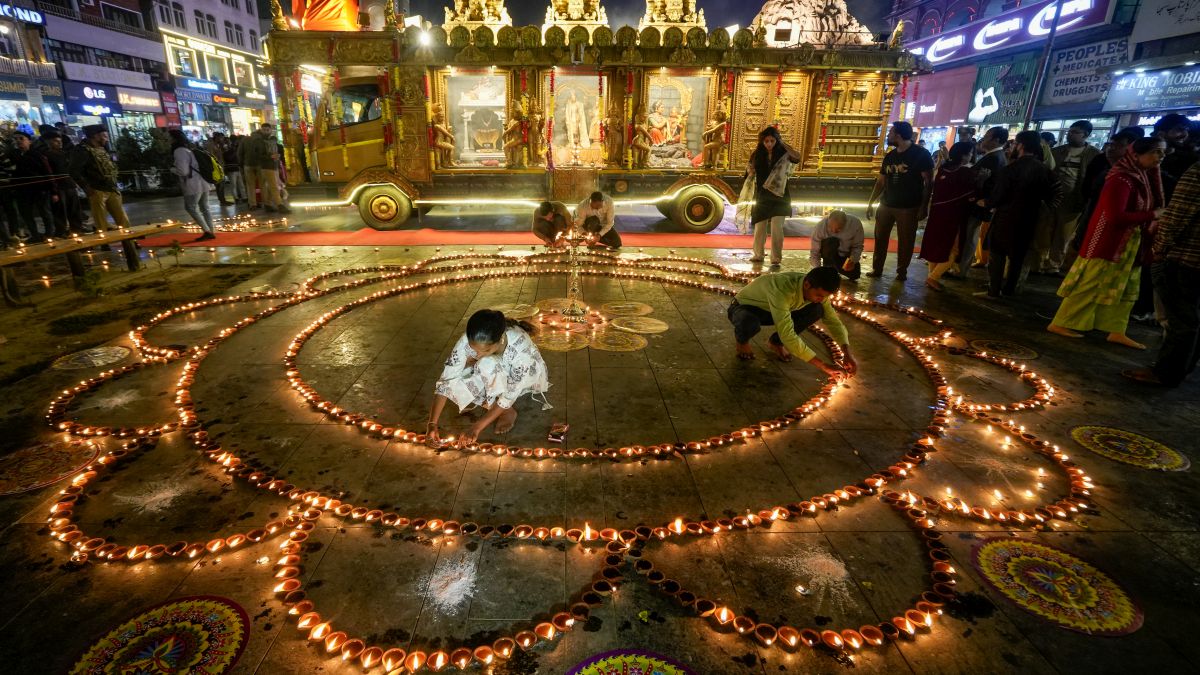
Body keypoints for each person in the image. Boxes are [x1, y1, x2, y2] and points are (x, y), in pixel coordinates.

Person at [1047, 138, 1166, 348]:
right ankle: (1063, 322)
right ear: (1136, 155)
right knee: (1091, 284)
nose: (1160, 157)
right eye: (1156, 152)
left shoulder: (1142, 178)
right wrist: (1152, 214)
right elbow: (1115, 216)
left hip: (1131, 244)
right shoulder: (1121, 179)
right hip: (1108, 242)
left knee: (1126, 289)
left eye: (1162, 152)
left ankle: (1116, 329)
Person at [1124, 161, 1200, 386]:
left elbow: (1178, 214)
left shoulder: (1196, 172)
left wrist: (1158, 248)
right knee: (1191, 318)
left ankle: (1167, 371)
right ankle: (1182, 368)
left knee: (1181, 319)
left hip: (1185, 257)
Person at [427, 309, 550, 446]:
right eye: (474, 350)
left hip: (525, 376)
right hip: (493, 370)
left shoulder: (521, 351)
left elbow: (509, 395)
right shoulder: (470, 338)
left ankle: (506, 412)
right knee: (465, 371)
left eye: (485, 350)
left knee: (486, 363)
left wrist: (476, 428)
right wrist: (432, 424)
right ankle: (495, 405)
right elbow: (447, 380)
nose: (477, 355)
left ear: (500, 339)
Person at [974, 131, 1064, 299]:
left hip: (1006, 218)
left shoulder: (1011, 169)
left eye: (1015, 143)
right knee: (1018, 257)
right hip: (1030, 219)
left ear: (1021, 145)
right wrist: (1044, 211)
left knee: (998, 255)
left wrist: (985, 202)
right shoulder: (1044, 170)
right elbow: (1056, 195)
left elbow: (998, 196)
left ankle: (993, 291)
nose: (1013, 146)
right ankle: (1009, 290)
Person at [727, 267, 857, 378]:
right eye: (819, 295)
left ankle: (776, 343)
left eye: (825, 296)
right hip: (744, 308)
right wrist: (822, 365)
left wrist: (847, 353)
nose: (822, 299)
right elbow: (787, 334)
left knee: (818, 309)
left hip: (774, 311)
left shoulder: (817, 291)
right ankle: (742, 342)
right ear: (807, 285)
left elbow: (833, 322)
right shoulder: (782, 289)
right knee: (749, 323)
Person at [866, 121, 933, 281]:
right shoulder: (890, 156)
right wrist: (871, 202)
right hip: (887, 204)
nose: (888, 135)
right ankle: (877, 269)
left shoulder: (920, 154)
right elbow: (881, 181)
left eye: (890, 132)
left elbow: (929, 182)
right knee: (880, 237)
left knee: (906, 240)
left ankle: (901, 271)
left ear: (899, 135)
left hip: (908, 206)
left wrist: (924, 206)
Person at [1033, 121, 1101, 275]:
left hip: (1074, 200)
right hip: (1052, 198)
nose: (1070, 134)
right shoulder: (1057, 151)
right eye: (1070, 131)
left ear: (1086, 135)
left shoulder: (1094, 155)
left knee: (1063, 234)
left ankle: (1054, 264)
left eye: (1075, 132)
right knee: (1045, 230)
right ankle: (1039, 261)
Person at [920, 141, 976, 291]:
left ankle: (932, 275)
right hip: (953, 216)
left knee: (936, 245)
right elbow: (970, 195)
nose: (971, 156)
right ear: (964, 155)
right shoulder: (966, 172)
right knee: (952, 249)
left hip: (937, 212)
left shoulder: (944, 169)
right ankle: (933, 277)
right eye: (970, 153)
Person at [956, 126, 1008, 275]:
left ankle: (961, 269)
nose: (983, 139)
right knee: (970, 235)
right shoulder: (994, 156)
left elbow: (986, 183)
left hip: (977, 204)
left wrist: (985, 199)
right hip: (979, 203)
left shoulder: (994, 158)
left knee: (969, 236)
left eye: (987, 136)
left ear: (996, 140)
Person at [746, 126, 801, 266]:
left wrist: (782, 143)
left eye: (772, 141)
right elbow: (749, 171)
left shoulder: (783, 153)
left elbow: (797, 157)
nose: (769, 144)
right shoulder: (757, 154)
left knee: (777, 228)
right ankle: (758, 254)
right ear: (762, 142)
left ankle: (776, 258)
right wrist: (750, 171)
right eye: (766, 141)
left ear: (776, 140)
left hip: (780, 196)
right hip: (762, 195)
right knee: (760, 227)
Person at [69, 124, 130, 232]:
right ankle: (104, 243)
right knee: (101, 222)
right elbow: (74, 171)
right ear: (95, 136)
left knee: (123, 219)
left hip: (111, 187)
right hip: (96, 189)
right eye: (104, 136)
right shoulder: (82, 150)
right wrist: (86, 187)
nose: (106, 139)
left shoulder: (103, 147)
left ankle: (130, 243)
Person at [168, 129, 216, 241]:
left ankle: (207, 231)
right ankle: (211, 230)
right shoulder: (188, 148)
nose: (167, 140)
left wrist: (172, 169)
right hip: (203, 181)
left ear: (174, 139)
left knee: (190, 207)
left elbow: (183, 171)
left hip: (192, 184)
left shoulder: (179, 151)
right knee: (205, 207)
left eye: (168, 137)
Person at [10, 130, 56, 242]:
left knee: (44, 212)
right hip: (22, 191)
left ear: (29, 141)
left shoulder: (37, 155)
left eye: (21, 139)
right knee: (26, 214)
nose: (18, 141)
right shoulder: (13, 155)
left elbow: (47, 171)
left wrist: (53, 190)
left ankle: (49, 234)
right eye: (16, 139)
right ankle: (35, 235)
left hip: (40, 189)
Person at [42, 131, 86, 235]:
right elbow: (49, 172)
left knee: (74, 209)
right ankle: (61, 231)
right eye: (56, 141)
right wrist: (54, 190)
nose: (59, 143)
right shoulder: (46, 155)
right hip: (59, 186)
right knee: (60, 211)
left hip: (69, 184)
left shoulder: (64, 154)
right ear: (49, 142)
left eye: (60, 141)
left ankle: (77, 229)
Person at [240, 123, 286, 213]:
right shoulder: (260, 140)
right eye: (264, 130)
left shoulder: (246, 139)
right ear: (261, 131)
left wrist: (242, 164)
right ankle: (271, 204)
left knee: (252, 185)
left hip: (249, 165)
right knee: (264, 185)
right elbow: (259, 154)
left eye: (267, 130)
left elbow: (240, 153)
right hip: (261, 165)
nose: (266, 132)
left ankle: (253, 204)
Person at [809, 210, 863, 280]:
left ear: (845, 223)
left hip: (845, 255)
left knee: (855, 275)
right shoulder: (820, 227)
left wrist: (852, 260)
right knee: (831, 241)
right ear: (828, 220)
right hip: (829, 253)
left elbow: (857, 246)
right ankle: (829, 268)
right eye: (830, 227)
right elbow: (814, 251)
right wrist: (818, 270)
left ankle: (836, 268)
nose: (834, 231)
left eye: (839, 229)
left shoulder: (855, 224)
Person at [1155, 113, 1197, 197]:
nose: (1185, 134)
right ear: (1161, 134)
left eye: (1186, 130)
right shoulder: (1147, 155)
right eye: (1179, 130)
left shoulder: (1189, 156)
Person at [205, 132, 234, 206]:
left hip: (220, 166)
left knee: (221, 184)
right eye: (221, 138)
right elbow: (210, 156)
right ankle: (222, 200)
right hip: (216, 167)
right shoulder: (211, 145)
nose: (222, 139)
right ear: (217, 137)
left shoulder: (218, 145)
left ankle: (223, 200)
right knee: (219, 184)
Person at [224, 134, 247, 203]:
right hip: (231, 168)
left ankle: (243, 197)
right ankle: (236, 198)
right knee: (234, 185)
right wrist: (235, 152)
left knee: (240, 184)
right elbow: (227, 157)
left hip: (236, 167)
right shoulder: (228, 147)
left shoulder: (236, 147)